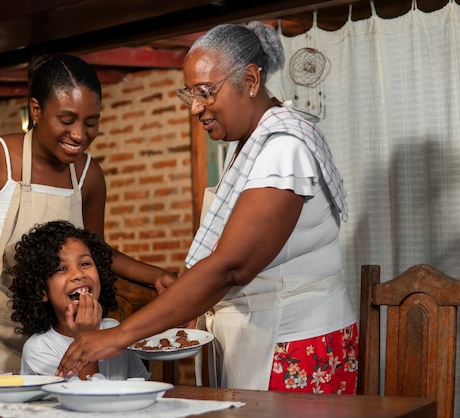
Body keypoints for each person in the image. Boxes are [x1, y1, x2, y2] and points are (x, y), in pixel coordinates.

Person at [57, 21, 358, 395]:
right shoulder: (246, 144)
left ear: (249, 81)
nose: (196, 107)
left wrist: (121, 335)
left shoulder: (283, 147)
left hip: (294, 342)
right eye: (190, 94)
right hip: (261, 337)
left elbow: (231, 266)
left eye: (206, 92)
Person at [0, 54, 172, 373]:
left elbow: (97, 251)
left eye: (91, 122)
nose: (79, 135)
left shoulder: (88, 176)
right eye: (66, 121)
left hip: (49, 339)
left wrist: (157, 276)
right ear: (36, 111)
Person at [10, 220, 150, 381]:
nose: (78, 274)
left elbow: (141, 384)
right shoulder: (40, 349)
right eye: (62, 268)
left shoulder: (114, 331)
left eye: (85, 263)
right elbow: (87, 402)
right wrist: (87, 338)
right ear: (42, 291)